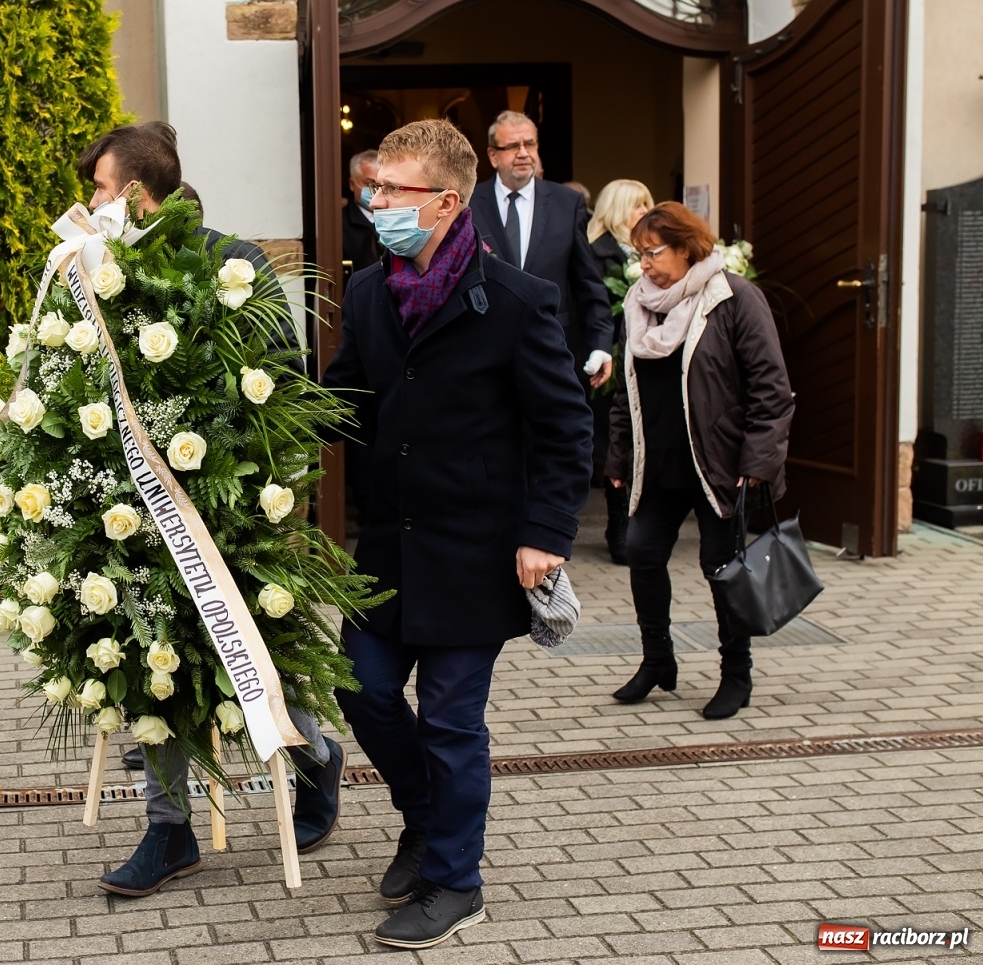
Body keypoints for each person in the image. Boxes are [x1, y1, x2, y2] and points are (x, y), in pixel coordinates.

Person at [323, 119, 593, 948]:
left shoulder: (515, 300)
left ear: (444, 202)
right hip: (390, 546)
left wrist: (546, 531)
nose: (374, 202)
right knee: (360, 688)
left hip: (477, 551)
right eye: (373, 187)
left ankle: (454, 879)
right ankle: (425, 816)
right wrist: (256, 409)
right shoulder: (369, 292)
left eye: (392, 190)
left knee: (448, 718)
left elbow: (564, 426)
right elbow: (342, 398)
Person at [75, 123, 346, 896]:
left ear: (133, 191)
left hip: (228, 502)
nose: (91, 203)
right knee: (150, 654)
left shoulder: (237, 260)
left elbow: (283, 375)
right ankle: (170, 831)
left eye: (98, 188)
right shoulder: (100, 269)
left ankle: (316, 759)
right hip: (136, 504)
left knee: (251, 647)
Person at [605, 202, 793, 720]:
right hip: (658, 461)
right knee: (642, 554)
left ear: (688, 248)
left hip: (720, 466)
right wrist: (618, 453)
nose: (642, 264)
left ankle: (737, 675)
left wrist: (758, 463)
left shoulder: (734, 299)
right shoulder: (640, 305)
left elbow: (771, 390)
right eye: (637, 254)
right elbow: (627, 391)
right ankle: (658, 661)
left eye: (652, 252)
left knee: (722, 569)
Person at [469, 111, 614, 390]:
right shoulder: (470, 203)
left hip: (553, 348)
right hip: (486, 351)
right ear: (493, 156)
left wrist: (601, 343)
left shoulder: (567, 203)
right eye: (512, 146)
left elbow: (587, 282)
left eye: (530, 144)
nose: (523, 153)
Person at [586, 180, 655, 564]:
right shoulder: (597, 253)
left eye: (647, 203)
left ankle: (641, 526)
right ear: (616, 209)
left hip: (649, 359)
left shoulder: (654, 251)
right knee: (618, 444)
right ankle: (620, 528)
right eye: (636, 205)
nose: (644, 211)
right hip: (613, 360)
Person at [343, 149, 384, 279]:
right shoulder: (339, 223)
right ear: (352, 184)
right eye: (369, 184)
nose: (376, 191)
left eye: (381, 185)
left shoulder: (397, 218)